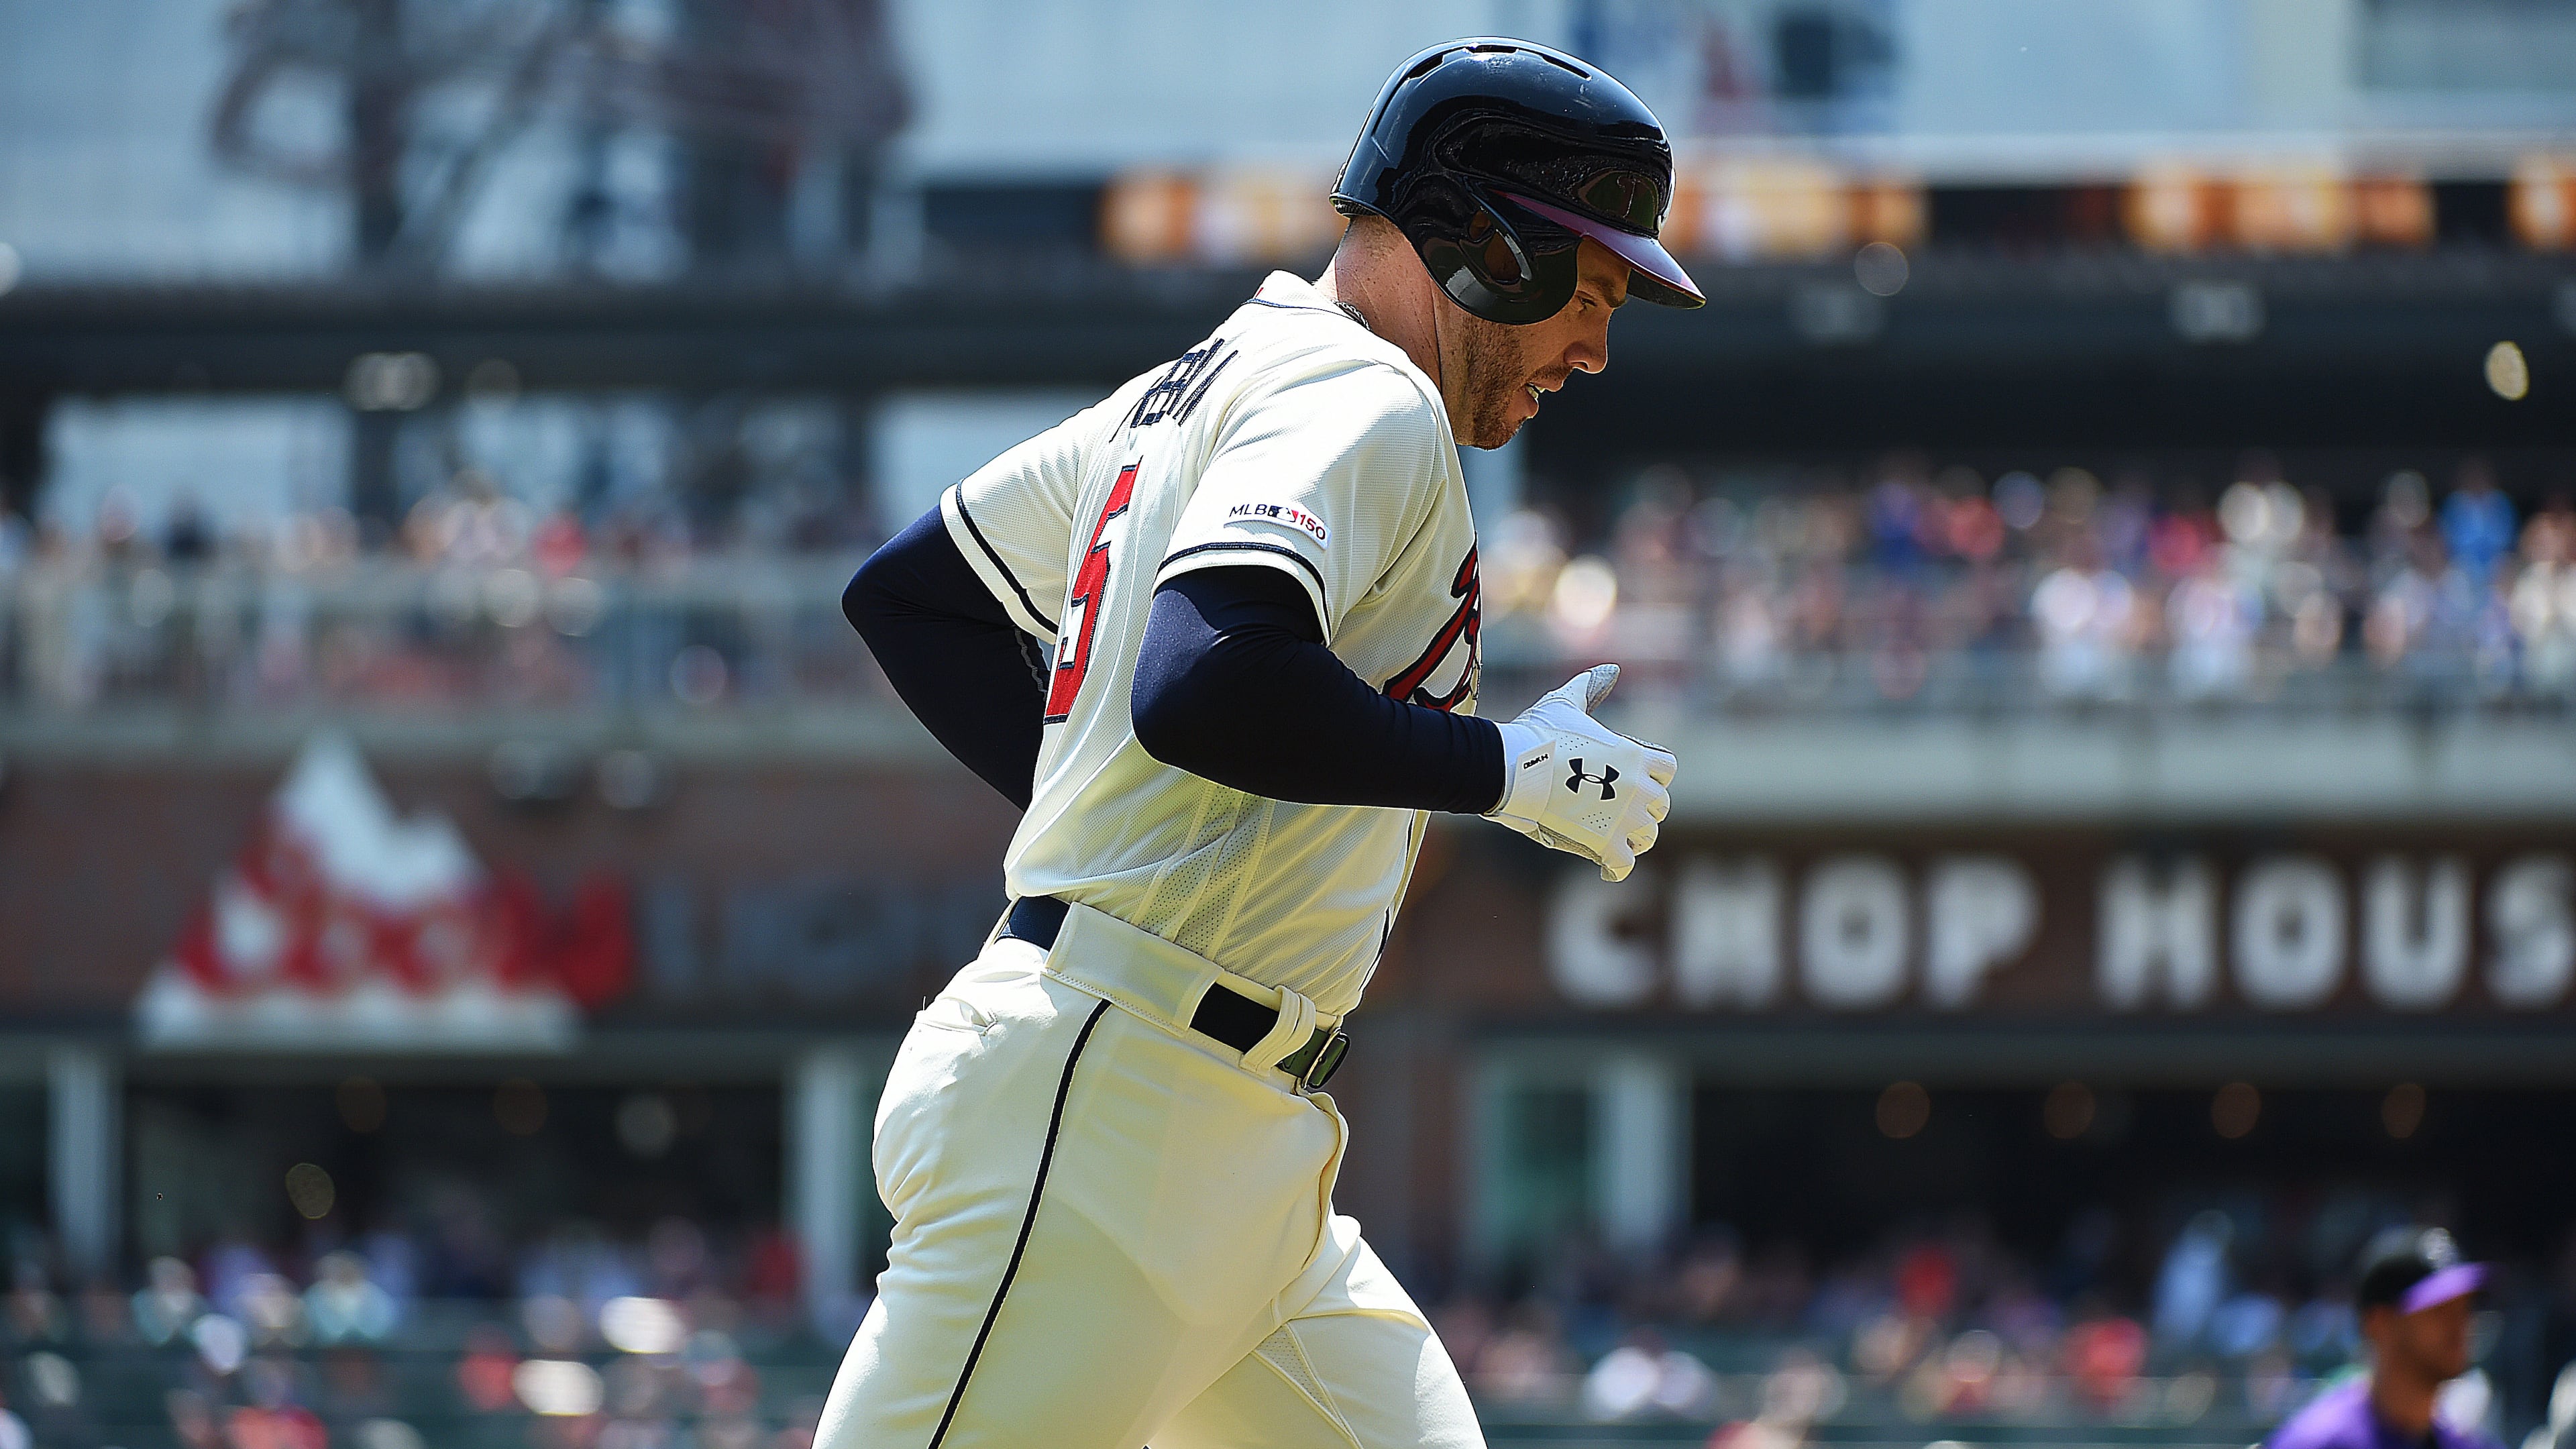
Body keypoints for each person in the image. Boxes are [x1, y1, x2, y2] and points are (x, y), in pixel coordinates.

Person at [820, 38, 1695, 1449]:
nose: (1595, 343)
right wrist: (1498, 771)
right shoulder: (1362, 392)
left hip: (1237, 1150)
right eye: (1587, 289)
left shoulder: (1212, 379)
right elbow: (1207, 673)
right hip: (1117, 1105)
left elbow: (916, 597)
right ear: (1479, 241)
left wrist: (1114, 812)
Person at [2267, 1227, 2502, 1449]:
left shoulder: (2463, 1443)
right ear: (2379, 1323)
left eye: (2464, 1309)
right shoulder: (2317, 1442)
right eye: (2438, 1311)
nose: (2459, 1326)